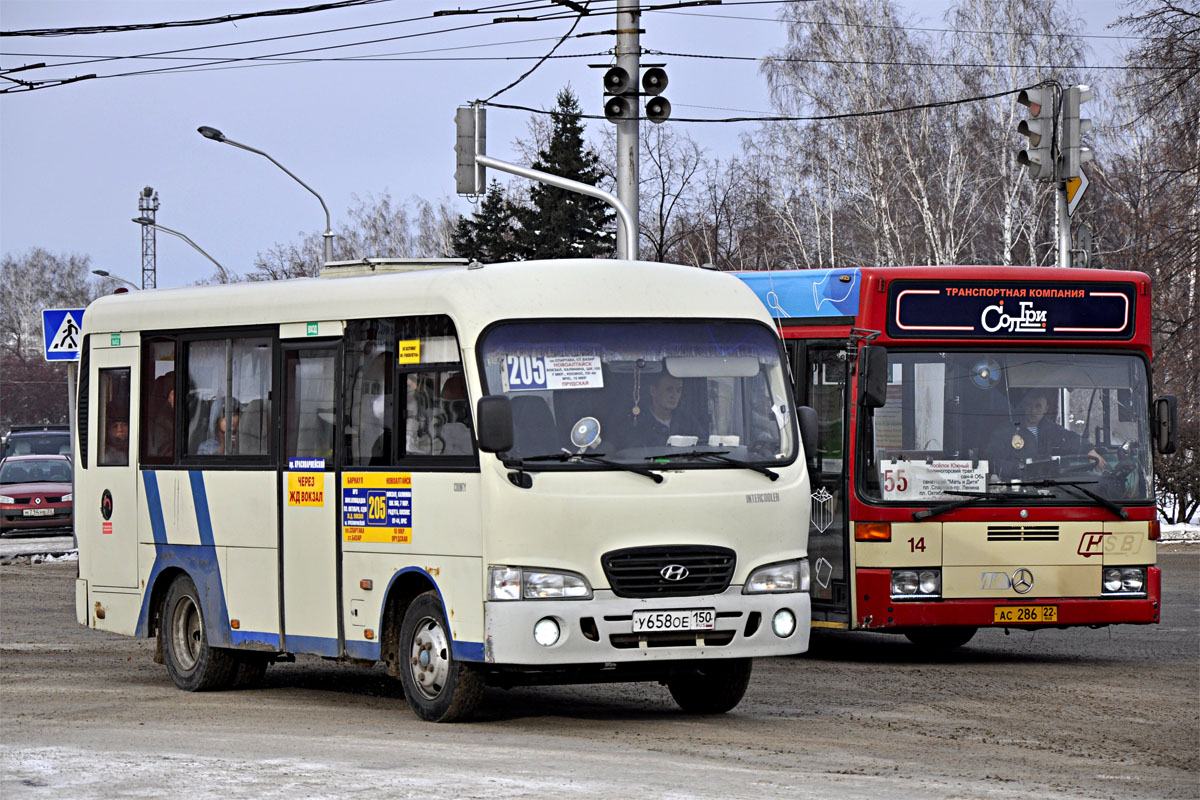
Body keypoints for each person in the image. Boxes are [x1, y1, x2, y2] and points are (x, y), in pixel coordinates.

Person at [988, 388, 1108, 478]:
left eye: (1038, 406)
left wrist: (1090, 451)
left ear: (1046, 409)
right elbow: (993, 461)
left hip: (1046, 485)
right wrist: (1021, 468)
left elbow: (1070, 439)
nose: (1033, 410)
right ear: (1023, 406)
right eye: (1029, 405)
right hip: (1016, 487)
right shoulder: (1006, 431)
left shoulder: (1050, 428)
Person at [620, 370, 706, 449]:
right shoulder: (638, 423)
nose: (674, 395)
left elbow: (704, 445)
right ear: (653, 391)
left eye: (678, 390)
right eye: (669, 389)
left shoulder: (687, 421)